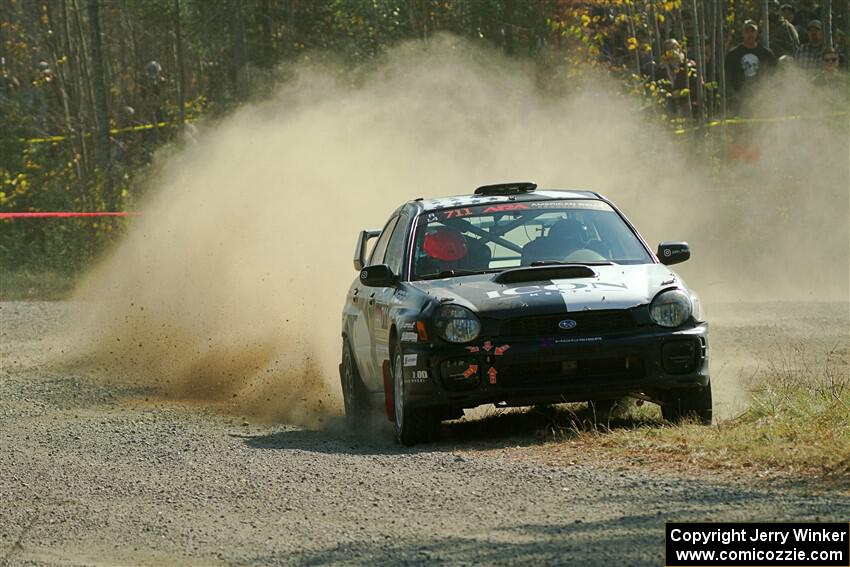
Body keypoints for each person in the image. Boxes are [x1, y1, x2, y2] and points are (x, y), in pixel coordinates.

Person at [724, 20, 778, 111]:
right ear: (743, 33)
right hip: (738, 100)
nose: (750, 34)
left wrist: (768, 95)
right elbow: (727, 78)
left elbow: (773, 75)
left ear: (757, 33)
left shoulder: (766, 54)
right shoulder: (733, 54)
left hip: (761, 100)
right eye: (747, 31)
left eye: (752, 31)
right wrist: (733, 96)